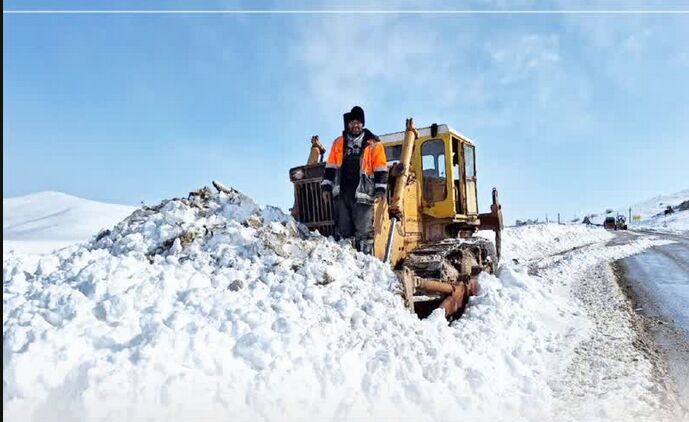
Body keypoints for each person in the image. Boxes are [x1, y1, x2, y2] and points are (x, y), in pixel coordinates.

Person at [320, 106, 388, 254]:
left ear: (362, 124)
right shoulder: (338, 143)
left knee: (364, 232)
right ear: (347, 125)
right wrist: (326, 187)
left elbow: (381, 169)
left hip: (363, 194)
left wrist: (380, 189)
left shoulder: (374, 143)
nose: (355, 125)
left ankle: (366, 262)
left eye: (358, 122)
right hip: (343, 193)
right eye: (352, 123)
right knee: (344, 231)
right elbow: (330, 167)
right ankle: (347, 263)